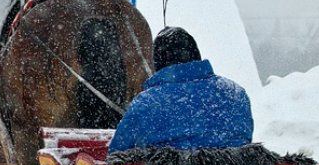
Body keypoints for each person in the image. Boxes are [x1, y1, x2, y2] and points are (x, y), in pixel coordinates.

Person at [108, 26, 253, 153]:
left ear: (158, 63)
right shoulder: (235, 93)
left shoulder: (146, 103)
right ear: (196, 55)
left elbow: (117, 154)